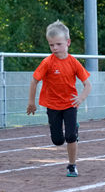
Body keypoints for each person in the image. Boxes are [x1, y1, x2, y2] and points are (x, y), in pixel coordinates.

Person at [26, 20, 92, 177]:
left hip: (70, 105)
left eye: (58, 44)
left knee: (70, 136)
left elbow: (87, 85)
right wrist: (31, 103)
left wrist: (81, 98)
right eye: (51, 45)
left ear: (68, 42)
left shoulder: (74, 63)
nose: (55, 48)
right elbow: (34, 80)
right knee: (57, 140)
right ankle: (71, 130)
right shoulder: (47, 62)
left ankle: (71, 165)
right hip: (52, 105)